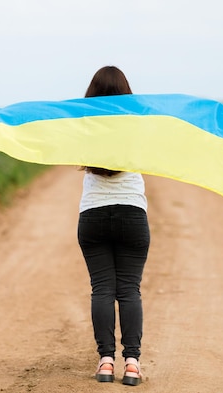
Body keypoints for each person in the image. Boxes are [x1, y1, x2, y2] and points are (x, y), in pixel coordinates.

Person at [77, 66, 150, 386]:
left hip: (93, 215)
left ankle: (105, 361)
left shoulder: (83, 125)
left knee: (102, 290)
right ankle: (131, 363)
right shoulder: (138, 124)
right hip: (132, 213)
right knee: (129, 290)